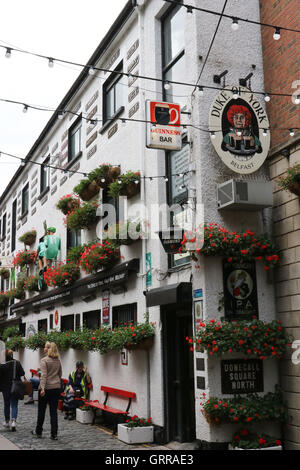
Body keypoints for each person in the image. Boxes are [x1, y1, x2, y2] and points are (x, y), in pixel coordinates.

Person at [31, 342, 62, 440]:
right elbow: (60, 374)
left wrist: (43, 388)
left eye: (45, 347)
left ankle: (39, 431)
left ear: (48, 349)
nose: (43, 348)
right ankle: (54, 434)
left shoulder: (44, 360)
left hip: (46, 389)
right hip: (56, 388)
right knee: (53, 412)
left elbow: (43, 375)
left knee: (42, 411)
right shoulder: (58, 360)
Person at [0, 349, 25, 432]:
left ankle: (7, 422)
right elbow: (22, 374)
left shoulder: (2, 365)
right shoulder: (17, 363)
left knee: (6, 404)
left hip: (5, 387)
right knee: (14, 405)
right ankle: (13, 422)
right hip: (15, 387)